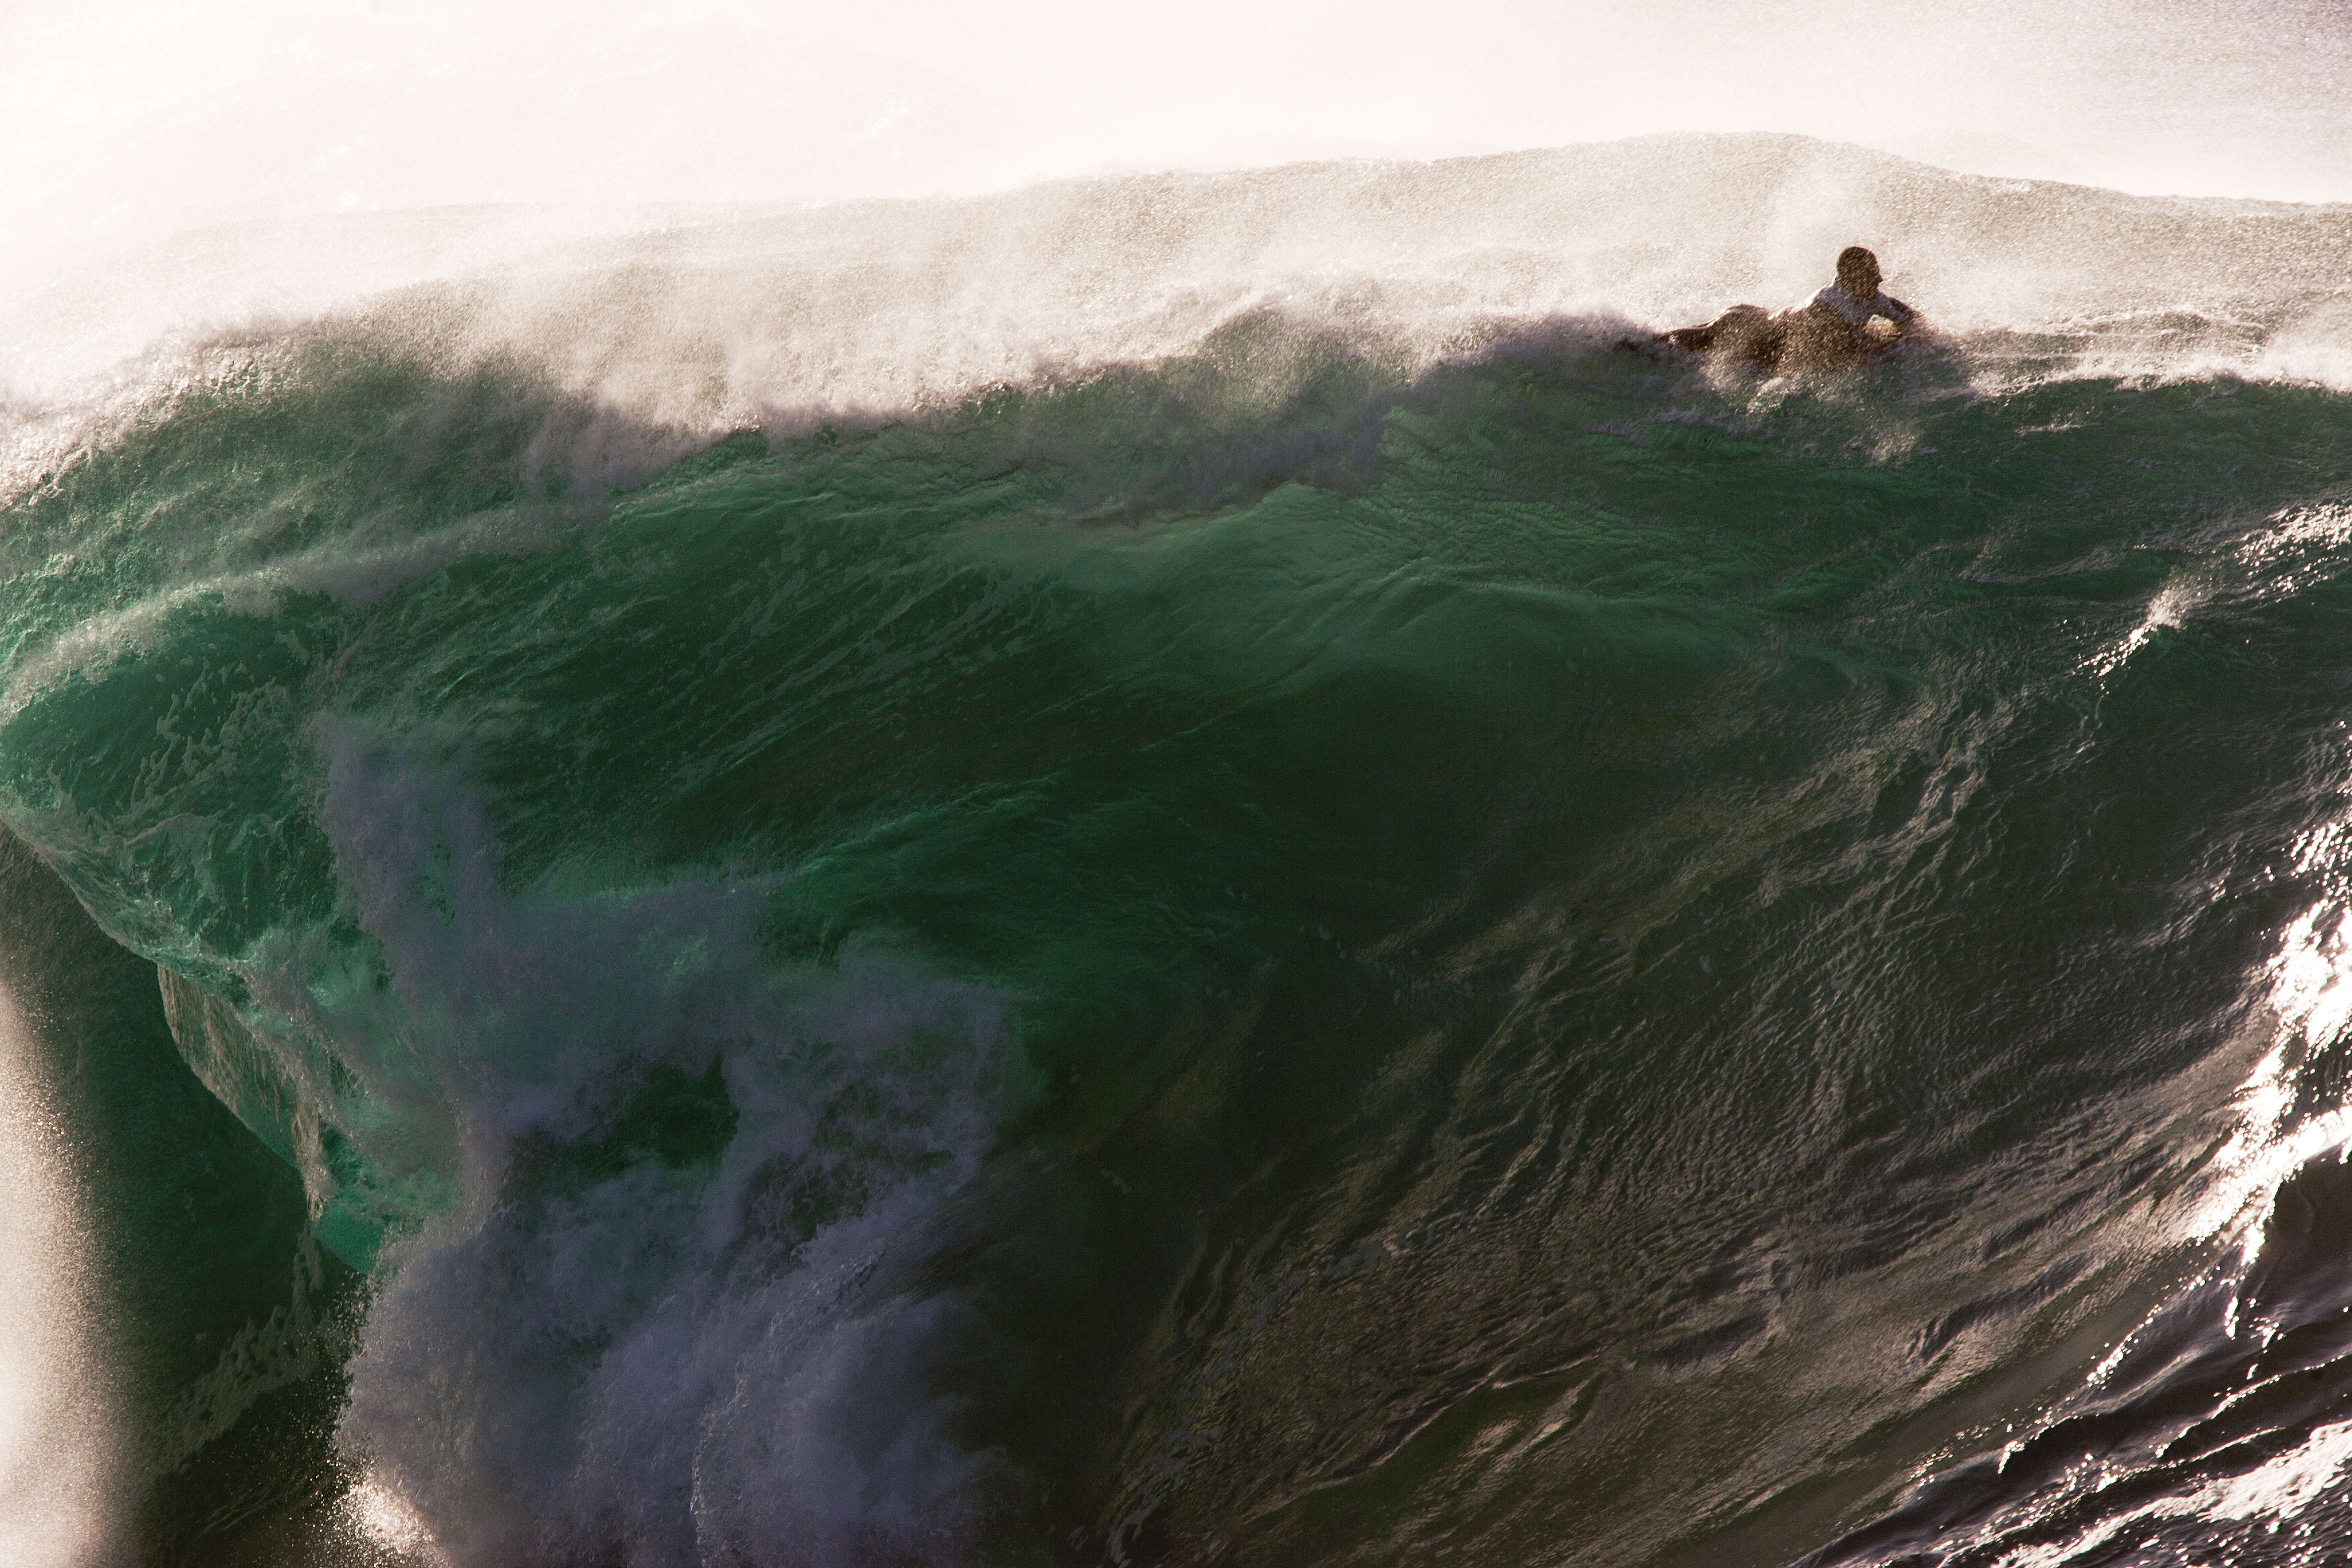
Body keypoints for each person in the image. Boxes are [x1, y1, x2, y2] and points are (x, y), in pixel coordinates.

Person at [1654, 247, 1924, 370]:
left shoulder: (1873, 297)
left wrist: (1913, 333)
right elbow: (1845, 354)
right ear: (1851, 277)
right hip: (1751, 329)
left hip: (1770, 333)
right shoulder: (1827, 305)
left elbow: (1910, 319)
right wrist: (1889, 344)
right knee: (1698, 341)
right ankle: (1641, 342)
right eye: (1872, 273)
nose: (1880, 279)